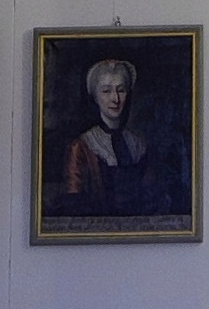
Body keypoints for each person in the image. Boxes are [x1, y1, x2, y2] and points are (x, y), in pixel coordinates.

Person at [59, 55, 183, 222]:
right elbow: (74, 202)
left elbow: (154, 198)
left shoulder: (138, 145)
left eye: (121, 90)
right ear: (95, 97)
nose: (115, 99)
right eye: (106, 91)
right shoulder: (81, 146)